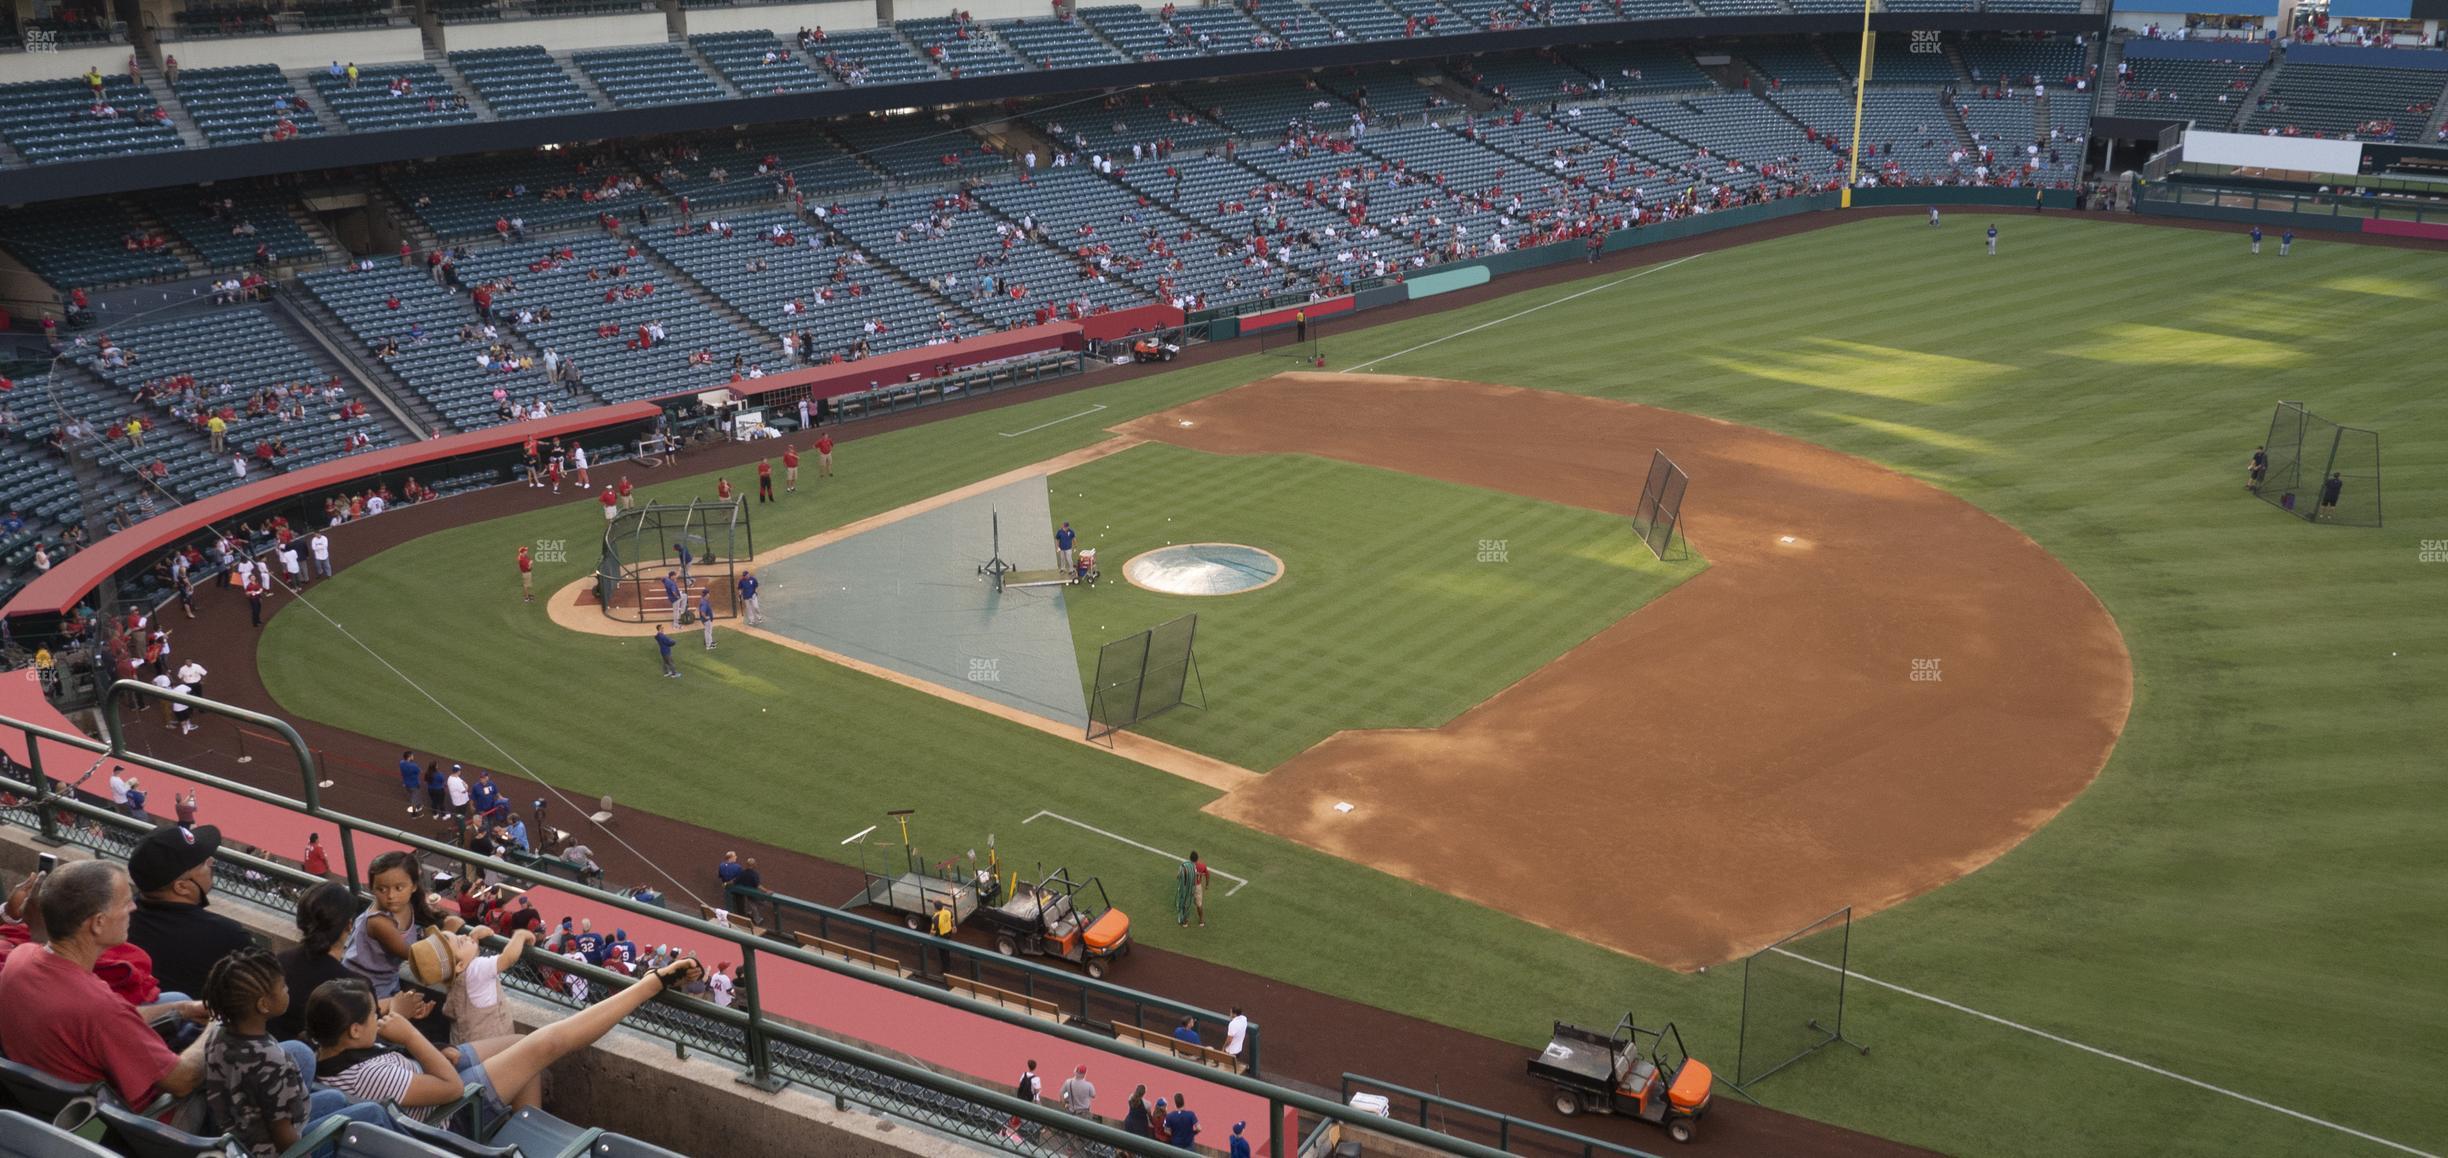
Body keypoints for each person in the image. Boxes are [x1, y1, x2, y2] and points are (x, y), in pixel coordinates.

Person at [306, 953, 702, 1122]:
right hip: (451, 1113)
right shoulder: (365, 1075)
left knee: (525, 1045)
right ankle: (652, 984)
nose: (384, 1015)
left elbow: (404, 1069)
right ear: (354, 1030)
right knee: (547, 1044)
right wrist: (411, 1034)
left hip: (432, 1079)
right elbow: (446, 1090)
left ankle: (524, 1126)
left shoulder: (331, 1052)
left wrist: (432, 1052)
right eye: (375, 1015)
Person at [0, 861, 213, 1120]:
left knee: (177, 1000)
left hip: (49, 1098)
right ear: (98, 923)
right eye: (125, 902)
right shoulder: (99, 1008)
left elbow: (108, 1022)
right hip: (131, 1121)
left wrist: (183, 1010)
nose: (134, 907)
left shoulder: (21, 957)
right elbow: (183, 1080)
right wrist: (218, 1024)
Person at [273, 883, 433, 1043]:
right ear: (349, 925)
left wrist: (392, 1002)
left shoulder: (279, 961)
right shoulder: (354, 984)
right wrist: (399, 1013)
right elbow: (364, 1038)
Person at [201, 947, 318, 1157]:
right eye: (283, 987)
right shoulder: (273, 1061)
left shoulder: (217, 1034)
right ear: (263, 1005)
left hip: (235, 1137)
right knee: (368, 1114)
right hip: (268, 1150)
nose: (288, 990)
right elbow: (284, 1138)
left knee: (336, 1097)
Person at [127, 823, 255, 999]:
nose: (211, 861)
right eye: (202, 862)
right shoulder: (227, 936)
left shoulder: (121, 920)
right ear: (182, 887)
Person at [1224, 1005, 1250, 1073]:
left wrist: (1223, 1047)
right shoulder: (1244, 1019)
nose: (1229, 1014)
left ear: (1234, 1014)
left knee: (1227, 1069)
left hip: (1230, 1052)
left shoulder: (1232, 1024)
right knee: (1233, 1067)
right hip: (1238, 1050)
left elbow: (1229, 1040)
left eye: (1230, 1013)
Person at [398, 750, 424, 815]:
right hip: (414, 784)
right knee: (414, 798)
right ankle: (414, 814)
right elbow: (420, 771)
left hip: (406, 783)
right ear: (409, 757)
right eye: (412, 756)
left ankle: (419, 805)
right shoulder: (413, 766)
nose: (413, 756)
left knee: (414, 795)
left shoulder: (401, 763)